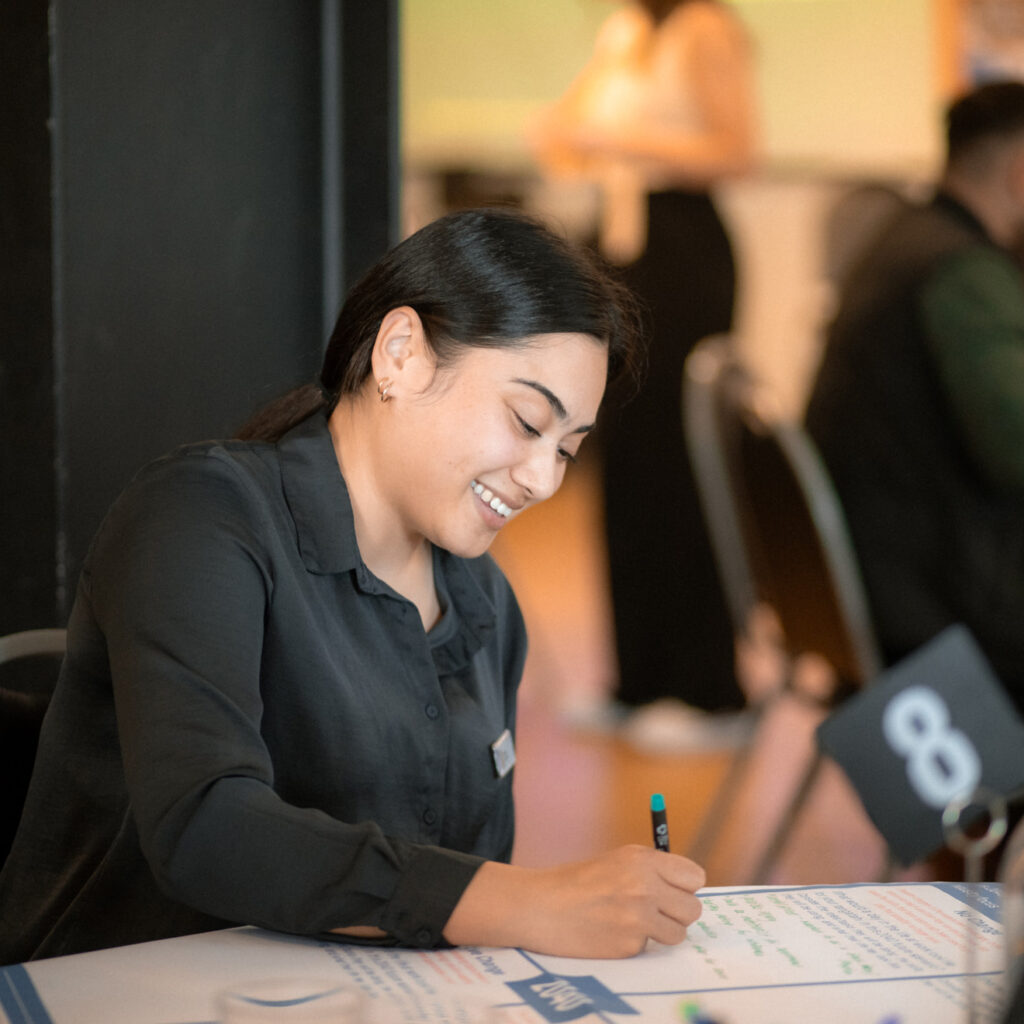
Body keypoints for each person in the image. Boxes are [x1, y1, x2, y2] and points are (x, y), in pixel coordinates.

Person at [0, 208, 707, 965]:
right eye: (527, 420)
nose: (542, 478)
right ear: (400, 354)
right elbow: (205, 826)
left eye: (569, 449)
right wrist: (526, 901)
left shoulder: (487, 607)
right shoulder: (200, 518)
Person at [529, 0, 758, 717]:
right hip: (620, 249)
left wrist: (621, 138)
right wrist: (582, 136)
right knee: (622, 465)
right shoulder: (624, 30)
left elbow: (738, 149)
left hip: (681, 252)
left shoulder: (706, 30)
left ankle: (705, 691)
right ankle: (636, 681)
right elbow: (560, 133)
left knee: (679, 469)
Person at [805, 80, 1024, 713]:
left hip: (862, 585)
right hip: (932, 605)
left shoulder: (902, 237)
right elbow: (1016, 452)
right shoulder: (964, 273)